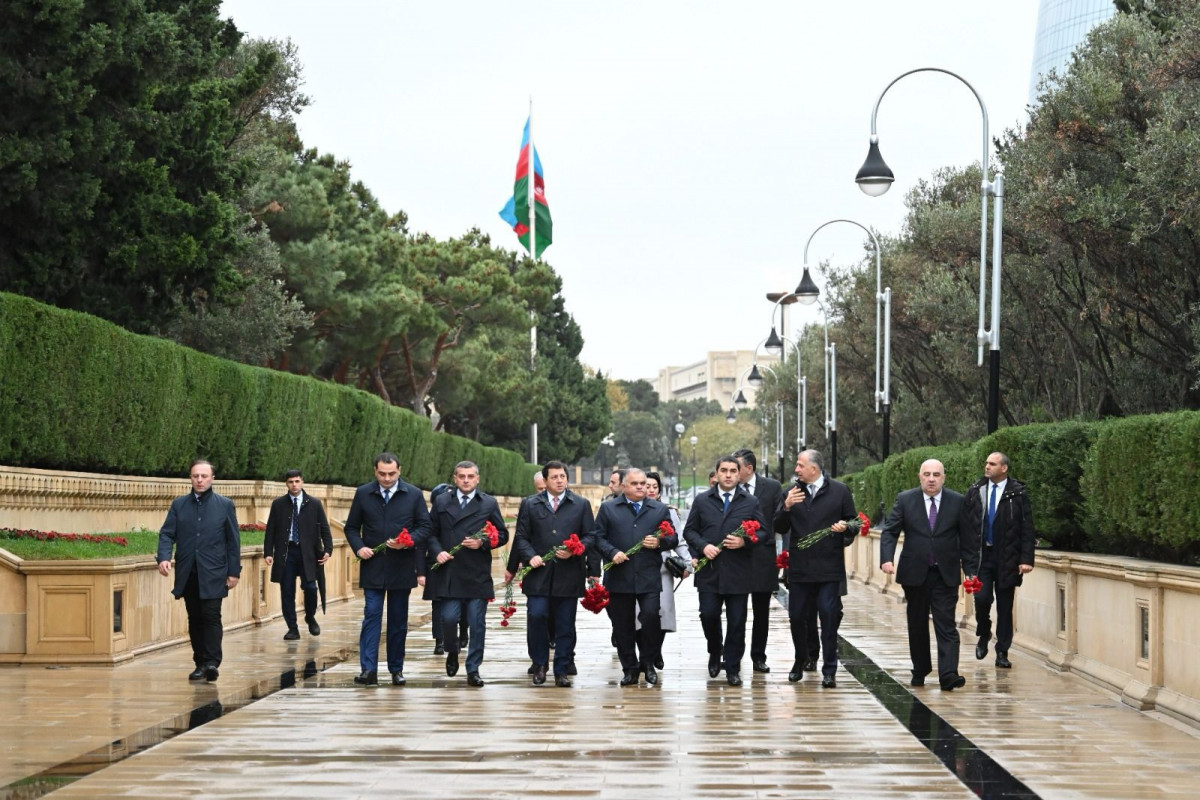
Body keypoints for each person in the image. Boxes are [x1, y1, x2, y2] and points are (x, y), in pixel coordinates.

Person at [880, 458, 978, 691]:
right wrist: (886, 558)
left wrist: (971, 571)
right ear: (920, 476)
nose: (931, 479)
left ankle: (948, 674)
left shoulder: (957, 501)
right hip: (915, 574)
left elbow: (968, 540)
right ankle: (920, 668)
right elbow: (890, 531)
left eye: (936, 474)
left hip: (946, 573)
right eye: (927, 474)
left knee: (946, 624)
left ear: (943, 478)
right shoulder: (905, 499)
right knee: (917, 624)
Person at [344, 452, 431, 687]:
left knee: (397, 620)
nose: (387, 478)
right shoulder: (364, 493)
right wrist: (359, 547)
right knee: (371, 616)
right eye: (382, 474)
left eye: (391, 474)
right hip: (373, 566)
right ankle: (368, 670)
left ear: (399, 471)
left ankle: (396, 669)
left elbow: (425, 527)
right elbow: (351, 527)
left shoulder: (412, 494)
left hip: (401, 568)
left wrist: (408, 541)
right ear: (375, 471)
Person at [683, 456, 769, 686]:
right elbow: (689, 531)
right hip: (709, 572)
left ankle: (732, 667)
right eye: (724, 470)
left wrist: (745, 542)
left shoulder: (750, 502)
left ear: (740, 474)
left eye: (733, 470)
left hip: (738, 573)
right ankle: (714, 650)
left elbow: (763, 533)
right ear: (717, 473)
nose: (729, 474)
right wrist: (703, 546)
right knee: (708, 614)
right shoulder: (702, 500)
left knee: (737, 621)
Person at [774, 450, 856, 687]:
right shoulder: (791, 492)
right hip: (800, 569)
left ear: (814, 468)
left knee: (829, 617)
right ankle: (801, 659)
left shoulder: (839, 491)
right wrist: (786, 507)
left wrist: (845, 527)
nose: (796, 470)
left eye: (800, 465)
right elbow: (778, 525)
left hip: (829, 569)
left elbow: (853, 522)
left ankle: (830, 669)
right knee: (797, 617)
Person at [156, 459, 242, 682]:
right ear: (190, 478)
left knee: (211, 615)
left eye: (204, 476)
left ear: (212, 478)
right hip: (189, 572)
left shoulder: (224, 505)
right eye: (196, 476)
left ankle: (212, 662)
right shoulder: (179, 505)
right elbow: (167, 534)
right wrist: (164, 557)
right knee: (195, 617)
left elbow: (233, 541)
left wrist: (234, 572)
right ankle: (200, 663)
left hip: (214, 572)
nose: (200, 480)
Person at [513, 460, 596, 687]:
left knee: (565, 623)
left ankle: (561, 669)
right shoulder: (530, 504)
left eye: (562, 477)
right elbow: (521, 537)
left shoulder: (580, 504)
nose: (559, 481)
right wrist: (530, 556)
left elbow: (591, 536)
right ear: (546, 480)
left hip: (569, 575)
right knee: (537, 615)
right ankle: (539, 664)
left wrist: (575, 550)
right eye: (554, 477)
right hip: (538, 574)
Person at [592, 467, 677, 686]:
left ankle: (647, 663)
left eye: (643, 483)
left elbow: (672, 538)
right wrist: (612, 552)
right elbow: (597, 538)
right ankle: (629, 668)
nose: (640, 487)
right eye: (635, 484)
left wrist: (659, 542)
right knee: (623, 625)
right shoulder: (609, 508)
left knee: (650, 618)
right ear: (624, 486)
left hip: (649, 576)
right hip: (619, 576)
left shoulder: (658, 509)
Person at [428, 460, 509, 687]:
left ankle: (473, 669)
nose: (466, 480)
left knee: (476, 622)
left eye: (470, 476)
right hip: (450, 572)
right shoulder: (442, 501)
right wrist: (438, 552)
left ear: (477, 479)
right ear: (454, 478)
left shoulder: (489, 503)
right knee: (449, 618)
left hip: (476, 573)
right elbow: (431, 533)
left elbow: (502, 534)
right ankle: (452, 651)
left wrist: (482, 542)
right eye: (461, 476)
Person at [964, 452, 1036, 669]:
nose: (987, 466)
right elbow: (966, 527)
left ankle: (1002, 651)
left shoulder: (1018, 494)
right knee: (982, 599)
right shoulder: (976, 491)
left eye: (992, 464)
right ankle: (983, 632)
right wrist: (966, 559)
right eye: (986, 463)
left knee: (1005, 607)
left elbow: (1027, 528)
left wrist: (1026, 559)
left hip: (1008, 558)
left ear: (1004, 468)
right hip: (983, 557)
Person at [263, 470, 332, 640]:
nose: (294, 485)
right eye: (290, 482)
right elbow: (270, 530)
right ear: (286, 484)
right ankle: (292, 628)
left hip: (308, 553)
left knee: (310, 587)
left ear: (302, 482)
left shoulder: (314, 504)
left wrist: (328, 550)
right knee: (287, 591)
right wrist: (268, 553)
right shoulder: (278, 504)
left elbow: (325, 528)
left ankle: (310, 616)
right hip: (287, 553)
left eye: (297, 481)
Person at [732, 448, 783, 674]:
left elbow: (778, 521)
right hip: (736, 557)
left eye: (737, 468)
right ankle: (733, 656)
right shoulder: (728, 487)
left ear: (749, 469)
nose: (732, 472)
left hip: (763, 556)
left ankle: (758, 656)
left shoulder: (772, 487)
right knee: (736, 611)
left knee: (761, 612)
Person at [643, 471, 691, 670]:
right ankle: (645, 654)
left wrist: (688, 563)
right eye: (648, 486)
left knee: (661, 612)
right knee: (642, 615)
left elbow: (678, 540)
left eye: (655, 487)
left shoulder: (668, 512)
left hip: (662, 568)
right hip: (636, 568)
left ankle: (656, 649)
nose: (651, 490)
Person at [417, 483, 465, 655]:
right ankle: (439, 640)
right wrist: (421, 572)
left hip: (460, 564)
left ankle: (460, 634)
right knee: (438, 605)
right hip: (436, 566)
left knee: (462, 603)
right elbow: (422, 544)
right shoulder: (430, 518)